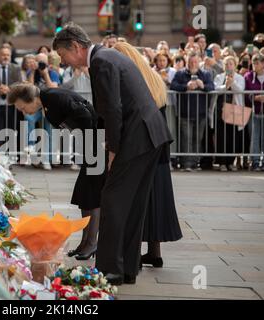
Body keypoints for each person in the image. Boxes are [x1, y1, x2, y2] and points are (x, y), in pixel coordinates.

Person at [53, 22, 172, 285]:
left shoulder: (101, 61)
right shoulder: (108, 56)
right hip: (150, 135)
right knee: (132, 204)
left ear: (75, 47)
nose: (66, 62)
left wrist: (113, 150)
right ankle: (127, 268)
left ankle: (110, 270)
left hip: (137, 138)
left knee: (112, 200)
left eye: (63, 55)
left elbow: (113, 110)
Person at [7, 83, 106, 260]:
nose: (24, 112)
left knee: (92, 194)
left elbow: (85, 115)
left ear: (31, 99)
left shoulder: (52, 98)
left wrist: (87, 141)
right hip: (90, 144)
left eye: (23, 107)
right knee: (84, 194)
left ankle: (92, 243)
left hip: (95, 144)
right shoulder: (47, 100)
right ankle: (85, 242)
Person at [113, 42, 182, 269]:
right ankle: (154, 252)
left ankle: (134, 255)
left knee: (140, 200)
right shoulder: (153, 77)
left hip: (143, 147)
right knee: (158, 198)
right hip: (160, 145)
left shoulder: (134, 80)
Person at [170, 52, 215, 171]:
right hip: (185, 112)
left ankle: (195, 163)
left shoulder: (205, 74)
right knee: (186, 139)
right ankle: (186, 164)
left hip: (201, 113)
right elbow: (173, 86)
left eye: (195, 61)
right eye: (190, 61)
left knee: (197, 139)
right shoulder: (180, 73)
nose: (193, 64)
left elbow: (211, 87)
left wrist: (203, 86)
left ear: (199, 62)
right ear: (187, 61)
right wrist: (186, 86)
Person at [213, 56, 246, 172]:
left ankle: (231, 162)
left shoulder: (240, 78)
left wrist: (232, 83)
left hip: (235, 111)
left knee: (233, 137)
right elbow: (216, 89)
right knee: (222, 137)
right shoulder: (219, 77)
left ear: (235, 65)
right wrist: (225, 86)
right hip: (221, 111)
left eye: (231, 64)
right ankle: (222, 162)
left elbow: (241, 90)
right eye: (226, 64)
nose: (228, 66)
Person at [245, 53, 264, 171]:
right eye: (253, 62)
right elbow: (246, 92)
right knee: (254, 138)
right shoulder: (248, 76)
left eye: (257, 63)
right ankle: (256, 161)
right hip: (253, 112)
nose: (255, 65)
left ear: (263, 64)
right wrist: (254, 97)